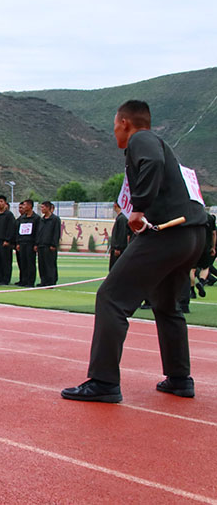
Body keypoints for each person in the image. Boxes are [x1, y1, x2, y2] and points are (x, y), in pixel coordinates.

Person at [62, 100, 207, 403]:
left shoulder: (142, 139)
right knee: (167, 306)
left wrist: (138, 209)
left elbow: (151, 163)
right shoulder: (160, 145)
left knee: (111, 298)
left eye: (115, 125)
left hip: (168, 231)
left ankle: (103, 382)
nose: (114, 132)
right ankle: (180, 378)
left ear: (125, 123)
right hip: (192, 235)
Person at [14, 199, 41, 287]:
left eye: (25, 205)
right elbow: (18, 231)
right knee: (23, 262)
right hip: (22, 243)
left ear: (30, 206)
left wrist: (36, 244)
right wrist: (18, 243)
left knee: (30, 263)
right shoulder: (22, 218)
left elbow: (38, 232)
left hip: (30, 243)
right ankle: (23, 280)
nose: (23, 207)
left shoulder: (36, 218)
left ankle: (30, 281)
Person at [0, 196, 15, 285]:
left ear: (5, 203)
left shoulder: (9, 215)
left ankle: (5, 279)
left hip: (4, 241)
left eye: (1, 201)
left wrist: (7, 240)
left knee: (5, 261)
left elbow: (11, 228)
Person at [36, 201, 61, 286]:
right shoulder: (42, 219)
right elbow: (39, 232)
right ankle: (43, 281)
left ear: (48, 208)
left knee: (50, 264)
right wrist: (37, 243)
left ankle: (51, 281)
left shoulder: (55, 219)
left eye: (43, 207)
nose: (42, 209)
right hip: (41, 245)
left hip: (49, 246)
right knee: (41, 264)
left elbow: (56, 233)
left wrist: (54, 244)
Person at [109, 202, 131, 270]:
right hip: (116, 248)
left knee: (115, 269)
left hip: (118, 250)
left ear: (115, 205)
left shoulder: (122, 218)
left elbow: (122, 234)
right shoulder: (121, 217)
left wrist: (118, 248)